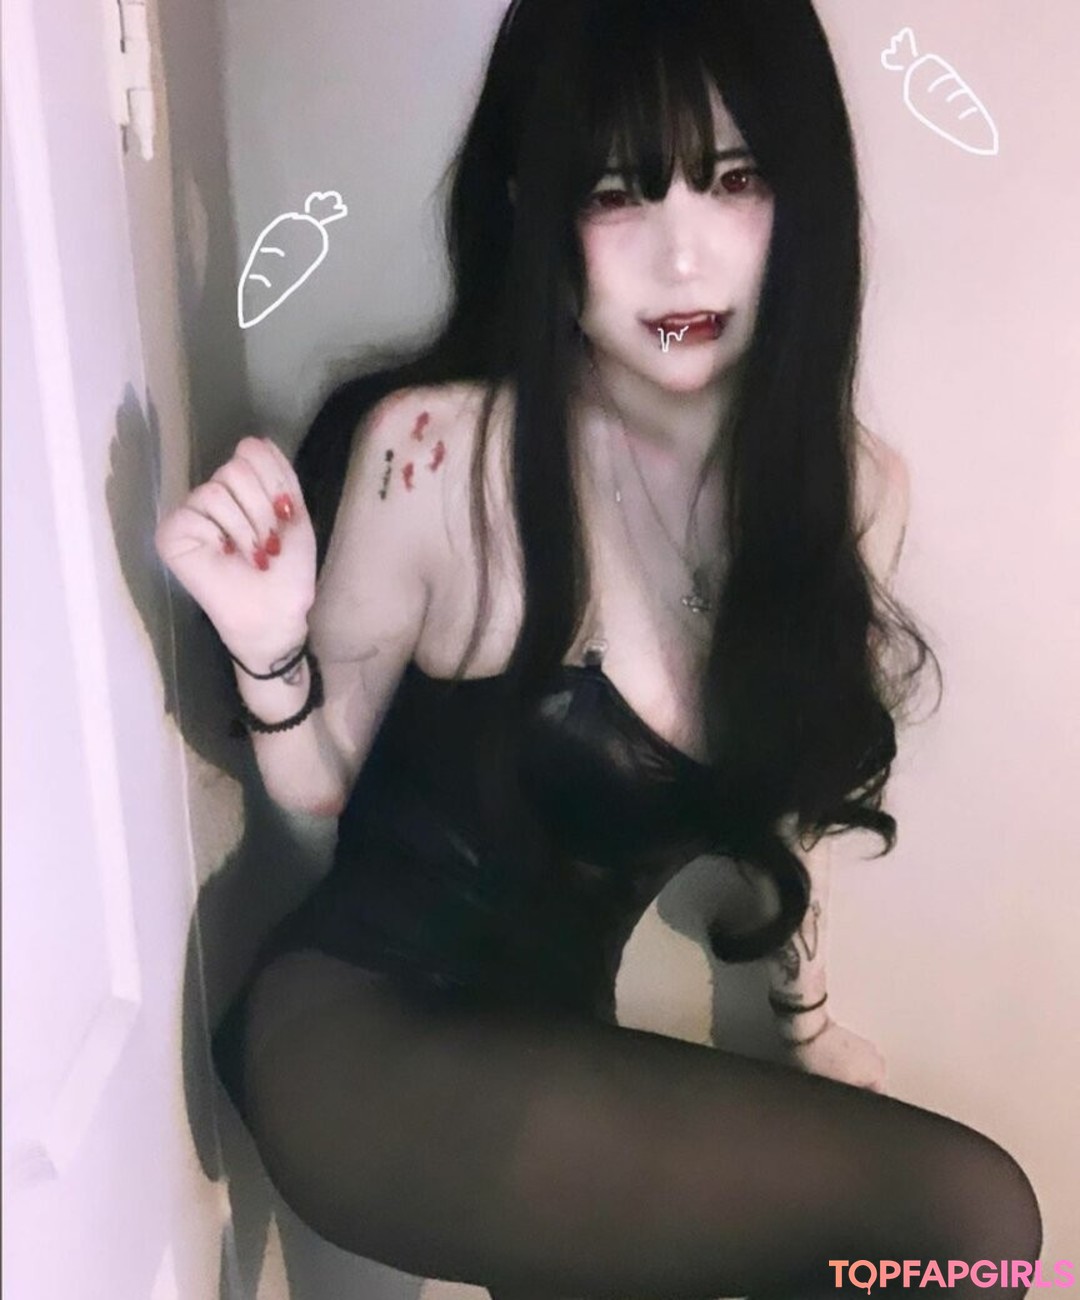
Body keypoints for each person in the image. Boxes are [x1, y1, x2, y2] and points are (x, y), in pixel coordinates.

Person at [156, 1, 1042, 1296]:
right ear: (539, 213)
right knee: (973, 1227)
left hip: (568, 1049)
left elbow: (785, 791)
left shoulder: (847, 493)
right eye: (621, 194)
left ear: (803, 201)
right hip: (358, 1034)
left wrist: (801, 1029)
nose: (682, 257)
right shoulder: (440, 452)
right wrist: (266, 646)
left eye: (734, 179)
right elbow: (320, 789)